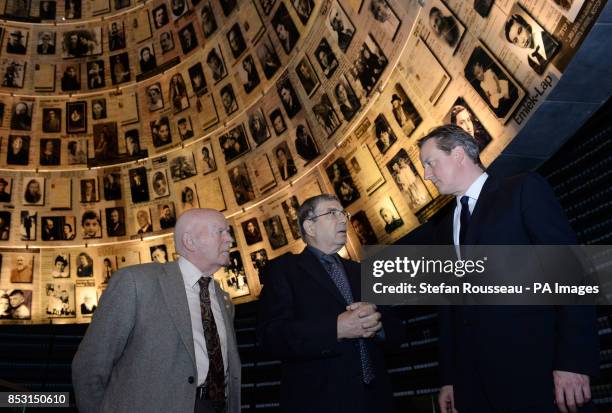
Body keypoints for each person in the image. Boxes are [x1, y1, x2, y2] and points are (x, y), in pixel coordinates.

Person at [417, 124, 599, 413]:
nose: (426, 174)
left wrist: (573, 360)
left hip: (537, 374)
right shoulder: (440, 230)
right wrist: (450, 379)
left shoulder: (523, 190)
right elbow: (449, 310)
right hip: (473, 387)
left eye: (430, 163)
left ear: (459, 154)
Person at [73, 209, 242, 412]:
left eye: (228, 232)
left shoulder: (223, 300)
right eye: (220, 232)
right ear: (190, 241)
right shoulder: (136, 283)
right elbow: (90, 366)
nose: (229, 239)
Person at [257, 194, 404, 412]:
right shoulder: (283, 271)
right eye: (332, 213)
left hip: (376, 399)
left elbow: (398, 331)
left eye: (343, 213)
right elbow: (272, 337)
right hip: (320, 402)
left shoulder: (362, 271)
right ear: (310, 226)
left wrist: (377, 325)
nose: (344, 220)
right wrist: (336, 329)